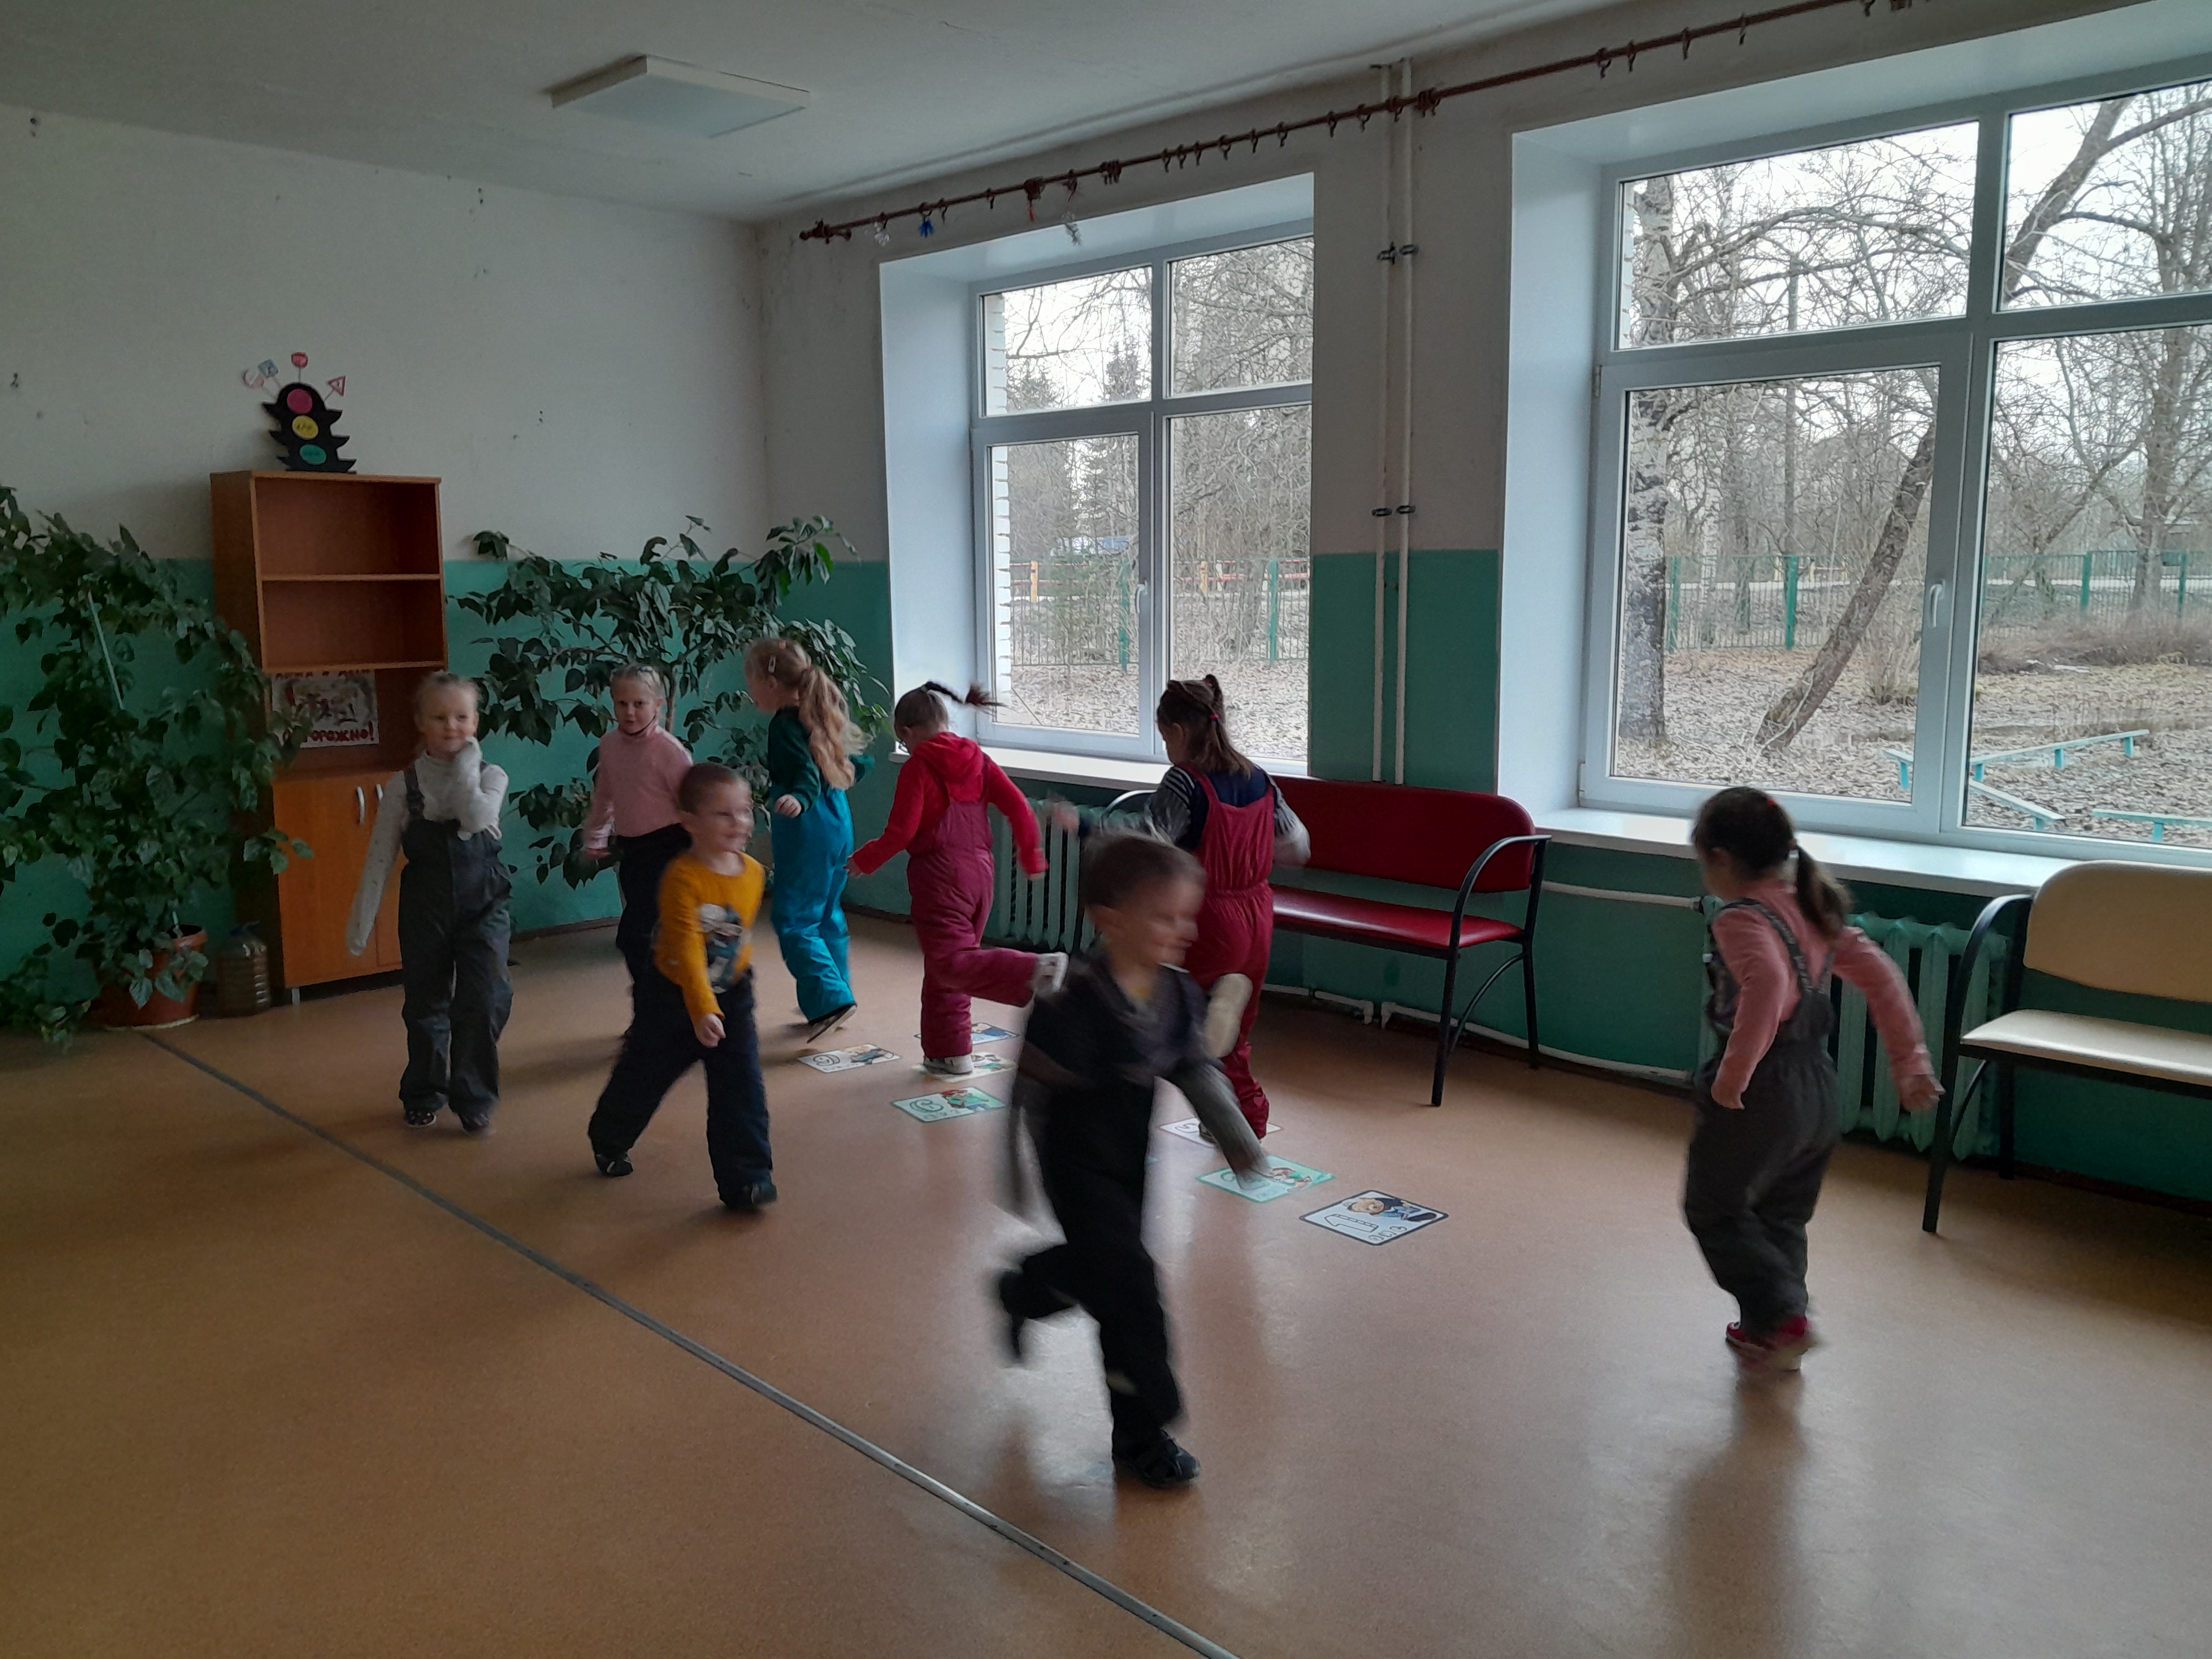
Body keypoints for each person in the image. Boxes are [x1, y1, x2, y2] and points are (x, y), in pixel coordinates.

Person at [995, 833, 1264, 1489]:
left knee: (1104, 1270)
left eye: (1187, 916)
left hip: (1129, 1153)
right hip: (1073, 1158)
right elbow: (1026, 1096)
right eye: (1166, 917)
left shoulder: (1176, 994)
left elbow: (1194, 1066)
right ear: (1110, 921)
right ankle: (1145, 1430)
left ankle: (1030, 1286)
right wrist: (1017, 1176)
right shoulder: (1072, 1001)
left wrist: (1237, 1140)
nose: (1185, 931)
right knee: (1130, 1284)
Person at [1687, 786, 1942, 1373]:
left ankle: (1781, 1317)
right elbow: (1883, 976)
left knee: (1714, 1210)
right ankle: (1772, 1332)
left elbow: (1768, 986)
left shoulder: (1741, 918)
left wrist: (1734, 1077)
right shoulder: (1812, 909)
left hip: (1764, 1090)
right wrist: (1911, 1064)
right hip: (1818, 1089)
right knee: (1782, 1215)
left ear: (1721, 858)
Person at [849, 681, 1067, 1077]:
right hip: (981, 877)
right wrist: (1032, 855)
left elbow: (901, 832)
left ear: (906, 732)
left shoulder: (918, 767)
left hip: (940, 878)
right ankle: (949, 1053)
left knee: (952, 963)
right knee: (945, 968)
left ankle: (1033, 969)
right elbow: (1019, 807)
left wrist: (866, 860)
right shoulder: (978, 760)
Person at [587, 764, 776, 1212]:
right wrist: (701, 1007)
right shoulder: (681, 878)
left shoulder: (753, 873)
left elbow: (738, 938)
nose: (739, 822)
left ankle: (747, 1180)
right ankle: (609, 1137)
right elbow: (690, 946)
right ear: (689, 821)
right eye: (724, 814)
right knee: (645, 1075)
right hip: (672, 996)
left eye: (744, 811)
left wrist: (730, 993)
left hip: (732, 995)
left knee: (741, 1086)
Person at [346, 672, 512, 1133]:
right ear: (421, 722)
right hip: (426, 903)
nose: (451, 726)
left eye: (461, 717)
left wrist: (466, 764)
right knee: (426, 1003)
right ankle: (424, 1091)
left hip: (485, 901)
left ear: (475, 722)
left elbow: (475, 818)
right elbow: (381, 854)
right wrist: (363, 920)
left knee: (486, 997)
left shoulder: (492, 776)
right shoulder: (405, 785)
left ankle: (473, 1095)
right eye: (439, 717)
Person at [1143, 676, 1309, 1137]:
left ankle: (1229, 1115)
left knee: (1184, 1022)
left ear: (1178, 731)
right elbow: (1298, 845)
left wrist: (1086, 831)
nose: (1167, 749)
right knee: (1236, 1030)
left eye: (1165, 739)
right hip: (1258, 913)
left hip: (1209, 917)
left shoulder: (1183, 781)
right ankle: (1244, 1118)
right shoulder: (1258, 776)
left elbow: (1148, 849)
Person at [746, 638, 870, 1042]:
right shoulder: (816, 714)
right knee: (827, 911)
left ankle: (830, 999)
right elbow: (859, 762)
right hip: (837, 822)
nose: (750, 691)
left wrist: (800, 797)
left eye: (750, 682)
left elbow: (804, 773)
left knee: (795, 918)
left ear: (770, 684)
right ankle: (836, 991)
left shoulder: (784, 724)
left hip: (807, 826)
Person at [578, 663, 692, 1001]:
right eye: (622, 704)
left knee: (637, 934)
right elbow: (606, 794)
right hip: (633, 849)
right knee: (643, 934)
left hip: (671, 846)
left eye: (639, 704)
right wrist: (596, 835)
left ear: (658, 705)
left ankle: (657, 1002)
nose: (629, 712)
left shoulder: (669, 751)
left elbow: (691, 802)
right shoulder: (610, 745)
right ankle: (657, 1001)